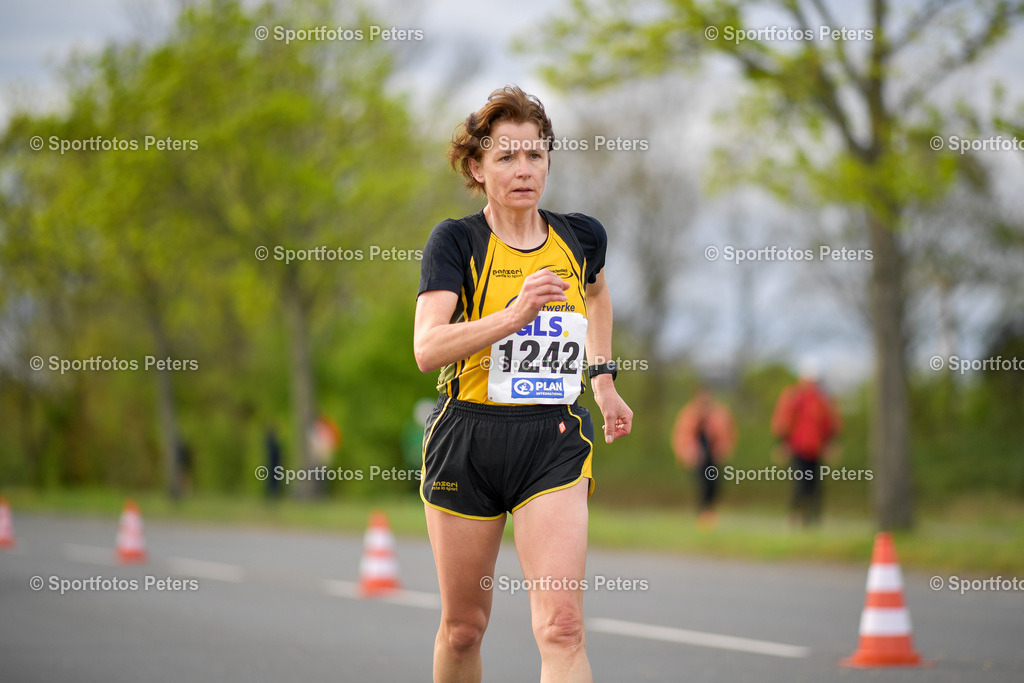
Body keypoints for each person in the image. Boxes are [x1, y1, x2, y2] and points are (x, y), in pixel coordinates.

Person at [414, 85, 633, 682]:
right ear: (476, 167)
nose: (522, 169)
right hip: (469, 439)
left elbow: (596, 292)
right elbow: (427, 349)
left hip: (552, 437)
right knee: (464, 629)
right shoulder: (456, 242)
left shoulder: (581, 237)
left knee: (562, 626)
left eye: (534, 155)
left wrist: (603, 377)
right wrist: (512, 317)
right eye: (506, 156)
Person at [771, 361, 842, 526]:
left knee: (815, 484)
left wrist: (830, 443)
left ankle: (811, 517)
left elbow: (829, 424)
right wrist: (783, 443)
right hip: (798, 447)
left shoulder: (822, 398)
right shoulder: (795, 396)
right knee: (800, 482)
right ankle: (796, 514)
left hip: (816, 449)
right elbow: (785, 420)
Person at [670, 385, 736, 528]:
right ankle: (702, 513)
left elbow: (727, 433)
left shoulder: (719, 413)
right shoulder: (689, 414)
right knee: (701, 484)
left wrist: (723, 449)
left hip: (713, 455)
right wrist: (688, 452)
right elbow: (682, 435)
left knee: (714, 484)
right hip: (697, 456)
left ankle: (709, 511)